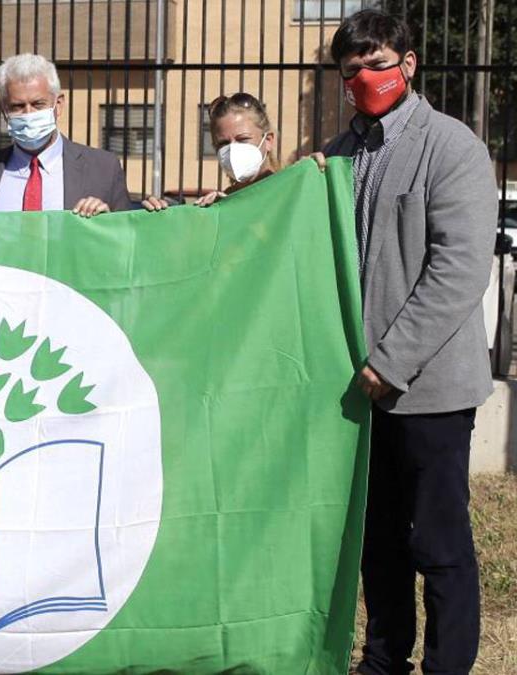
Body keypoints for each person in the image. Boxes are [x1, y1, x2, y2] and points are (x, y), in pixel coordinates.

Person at [315, 9, 497, 675]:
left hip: (429, 388)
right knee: (378, 542)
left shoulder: (451, 147)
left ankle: (447, 664)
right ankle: (385, 657)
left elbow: (459, 269)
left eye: (379, 62)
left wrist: (391, 360)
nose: (366, 77)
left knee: (439, 542)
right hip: (356, 393)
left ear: (410, 64)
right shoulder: (337, 155)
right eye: (352, 70)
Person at [0, 53, 134, 216]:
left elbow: (127, 238)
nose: (28, 114)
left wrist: (107, 222)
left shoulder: (103, 169)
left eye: (38, 104)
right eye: (17, 106)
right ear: (3, 110)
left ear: (58, 105)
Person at [142, 92, 277, 211]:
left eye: (243, 139)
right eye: (223, 143)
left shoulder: (293, 192)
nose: (233, 149)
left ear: (268, 141)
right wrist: (159, 216)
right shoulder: (221, 202)